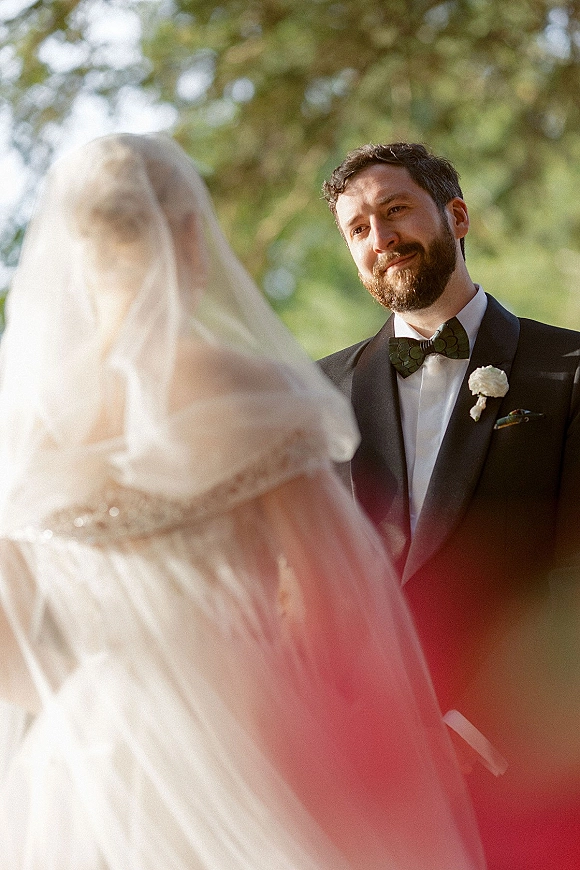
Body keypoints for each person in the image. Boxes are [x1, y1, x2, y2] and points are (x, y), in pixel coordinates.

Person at [0, 133, 485, 869]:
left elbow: (10, 648)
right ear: (190, 235)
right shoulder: (249, 389)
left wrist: (110, 702)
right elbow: (336, 612)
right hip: (255, 734)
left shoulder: (25, 422)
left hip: (87, 767)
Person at [319, 141, 580, 870]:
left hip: (524, 773)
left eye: (395, 210)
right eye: (359, 228)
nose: (381, 239)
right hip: (362, 779)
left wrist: (473, 730)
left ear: (456, 215)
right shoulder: (315, 398)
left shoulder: (569, 373)